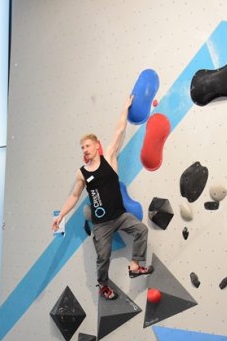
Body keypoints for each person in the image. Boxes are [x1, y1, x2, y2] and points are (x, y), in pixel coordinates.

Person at [52, 96, 154, 300]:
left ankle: (135, 265)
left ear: (97, 146)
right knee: (103, 258)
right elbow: (73, 197)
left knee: (141, 230)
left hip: (120, 216)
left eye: (87, 146)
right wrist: (60, 216)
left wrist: (125, 108)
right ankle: (103, 286)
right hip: (101, 224)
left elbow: (119, 131)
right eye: (82, 148)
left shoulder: (109, 158)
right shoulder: (82, 173)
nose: (85, 150)